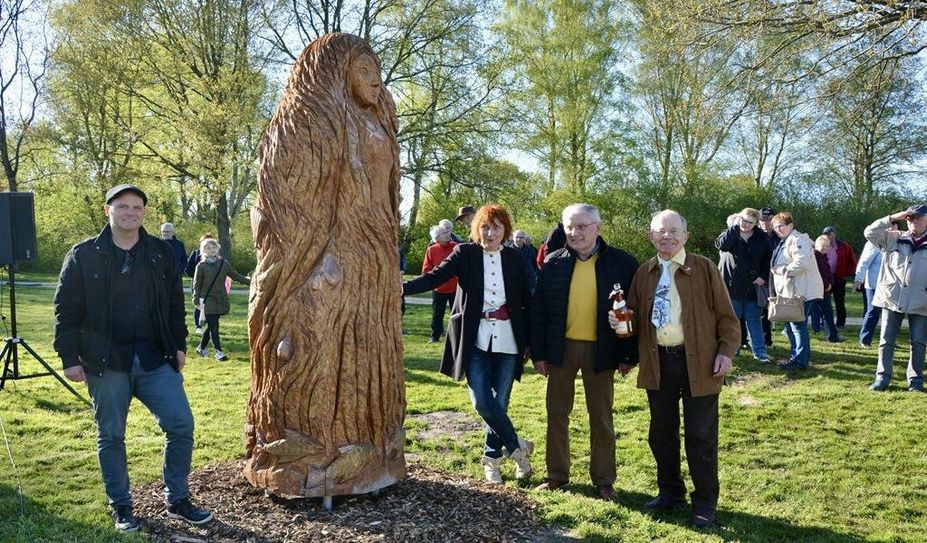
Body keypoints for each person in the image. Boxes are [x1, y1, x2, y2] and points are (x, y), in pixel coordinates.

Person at [53, 184, 212, 533]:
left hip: (155, 358)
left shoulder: (159, 252)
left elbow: (174, 304)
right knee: (111, 435)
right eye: (122, 206)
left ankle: (178, 498)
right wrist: (69, 357)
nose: (130, 212)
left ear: (144, 213)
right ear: (107, 210)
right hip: (105, 361)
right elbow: (65, 311)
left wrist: (180, 345)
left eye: (137, 207)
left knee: (181, 424)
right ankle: (122, 506)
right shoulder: (83, 255)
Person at [623, 209, 738, 530]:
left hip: (701, 364)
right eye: (661, 231)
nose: (667, 236)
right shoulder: (644, 272)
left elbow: (728, 320)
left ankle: (704, 502)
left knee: (701, 435)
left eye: (674, 231)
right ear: (651, 235)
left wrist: (726, 353)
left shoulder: (704, 268)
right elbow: (632, 318)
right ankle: (670, 492)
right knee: (661, 434)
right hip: (658, 363)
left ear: (685, 236)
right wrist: (621, 322)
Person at [403, 204, 534, 483]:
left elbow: (527, 297)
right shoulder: (465, 253)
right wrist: (399, 287)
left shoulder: (514, 258)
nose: (490, 233)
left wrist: (531, 342)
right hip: (474, 337)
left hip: (509, 339)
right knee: (483, 403)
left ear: (505, 231)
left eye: (496, 227)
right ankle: (517, 447)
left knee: (500, 403)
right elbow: (435, 277)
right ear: (476, 229)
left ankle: (492, 461)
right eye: (485, 226)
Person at [530, 204, 639, 501]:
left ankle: (604, 480)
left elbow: (635, 311)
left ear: (597, 228)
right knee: (556, 413)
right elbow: (539, 312)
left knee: (601, 416)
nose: (575, 233)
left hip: (602, 349)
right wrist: (538, 353)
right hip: (561, 348)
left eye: (581, 226)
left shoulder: (622, 263)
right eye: (570, 227)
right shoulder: (553, 262)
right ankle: (556, 476)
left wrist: (628, 355)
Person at [864, 205, 927, 392]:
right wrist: (893, 216)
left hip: (921, 300)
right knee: (886, 340)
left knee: (918, 342)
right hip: (891, 298)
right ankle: (882, 379)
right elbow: (869, 232)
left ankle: (915, 381)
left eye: (919, 218)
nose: (914, 221)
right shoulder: (893, 238)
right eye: (910, 218)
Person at [715, 208, 771, 363]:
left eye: (750, 222)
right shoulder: (729, 233)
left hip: (753, 285)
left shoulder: (761, 237)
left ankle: (760, 353)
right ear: (739, 218)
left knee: (754, 320)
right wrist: (734, 227)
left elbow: (768, 258)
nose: (746, 225)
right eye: (744, 220)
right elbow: (723, 246)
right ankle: (733, 351)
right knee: (733, 320)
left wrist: (763, 276)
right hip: (732, 285)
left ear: (756, 223)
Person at [769, 212, 824, 371]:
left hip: (802, 291)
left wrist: (780, 270)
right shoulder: (786, 241)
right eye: (775, 227)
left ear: (791, 225)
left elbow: (802, 264)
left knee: (797, 325)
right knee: (792, 325)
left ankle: (800, 361)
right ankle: (795, 358)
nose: (778, 229)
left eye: (781, 226)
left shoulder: (799, 240)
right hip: (792, 291)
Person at [192, 238, 250, 361]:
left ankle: (201, 348)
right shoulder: (201, 266)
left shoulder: (224, 264)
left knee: (212, 325)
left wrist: (251, 282)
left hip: (220, 298)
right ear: (203, 251)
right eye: (208, 248)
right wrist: (195, 300)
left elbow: (235, 276)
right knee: (214, 326)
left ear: (218, 248)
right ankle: (219, 352)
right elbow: (196, 284)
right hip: (207, 300)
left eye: (213, 247)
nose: (211, 250)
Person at [422, 224, 458, 343]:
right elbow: (426, 269)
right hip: (439, 289)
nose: (448, 234)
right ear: (437, 238)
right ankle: (435, 336)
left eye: (447, 232)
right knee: (437, 314)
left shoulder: (456, 247)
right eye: (444, 233)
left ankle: (457, 336)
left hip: (456, 287)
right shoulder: (431, 250)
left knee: (457, 314)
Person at [822, 226, 857, 327]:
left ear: (834, 234)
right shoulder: (822, 244)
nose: (827, 236)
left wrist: (849, 273)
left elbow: (852, 260)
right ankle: (825, 323)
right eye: (825, 234)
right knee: (824, 301)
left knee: (839, 302)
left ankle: (841, 323)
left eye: (829, 233)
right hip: (826, 278)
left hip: (839, 278)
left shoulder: (843, 246)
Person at [854, 239, 884, 348]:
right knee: (873, 311)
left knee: (889, 314)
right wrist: (858, 279)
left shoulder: (894, 242)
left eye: (894, 227)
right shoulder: (873, 243)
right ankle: (865, 340)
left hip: (889, 285)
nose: (892, 230)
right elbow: (864, 262)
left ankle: (888, 341)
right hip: (874, 284)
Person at [812, 235, 842, 343]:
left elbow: (827, 273)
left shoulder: (824, 257)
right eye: (823, 245)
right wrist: (826, 284)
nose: (825, 248)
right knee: (808, 313)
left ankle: (833, 336)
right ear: (816, 245)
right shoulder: (815, 257)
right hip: (816, 290)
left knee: (828, 314)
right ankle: (832, 336)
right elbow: (817, 274)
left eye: (827, 246)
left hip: (824, 290)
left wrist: (830, 283)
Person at [758, 207, 780, 347]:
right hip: (761, 279)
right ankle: (765, 340)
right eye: (763, 219)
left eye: (768, 219)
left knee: (781, 309)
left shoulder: (780, 236)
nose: (766, 222)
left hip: (778, 277)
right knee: (762, 311)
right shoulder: (756, 235)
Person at [184, 234, 214, 334]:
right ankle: (199, 326)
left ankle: (209, 326)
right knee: (198, 304)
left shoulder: (216, 256)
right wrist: (197, 277)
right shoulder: (196, 254)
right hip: (197, 284)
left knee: (211, 304)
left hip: (211, 284)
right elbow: (188, 269)